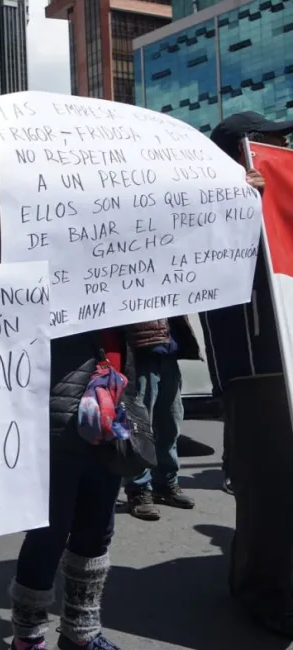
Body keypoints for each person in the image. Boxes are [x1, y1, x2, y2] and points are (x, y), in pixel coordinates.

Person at [0, 141, 138, 650]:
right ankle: (27, 639)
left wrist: (231, 205)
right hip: (51, 404)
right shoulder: (29, 231)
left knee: (97, 525)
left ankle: (81, 631)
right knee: (48, 528)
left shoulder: (113, 233)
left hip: (110, 405)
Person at [202, 111, 293, 494]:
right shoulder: (210, 204)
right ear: (243, 152)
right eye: (270, 140)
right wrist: (241, 207)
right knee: (266, 488)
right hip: (256, 370)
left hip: (281, 359)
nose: (284, 147)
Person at [122, 317, 201, 520]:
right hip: (141, 351)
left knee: (170, 424)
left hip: (168, 350)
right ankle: (138, 490)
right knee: (139, 426)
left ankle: (165, 483)